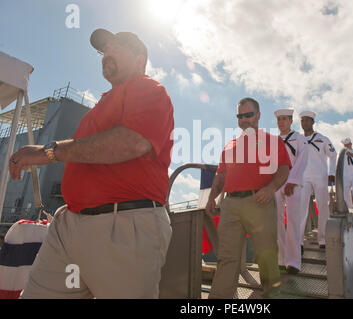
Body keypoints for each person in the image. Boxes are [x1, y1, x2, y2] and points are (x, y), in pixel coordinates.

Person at [8, 28, 174, 298]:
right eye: (103, 49)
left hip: (122, 226)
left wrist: (49, 152)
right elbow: (85, 151)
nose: (106, 53)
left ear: (140, 57)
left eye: (116, 45)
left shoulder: (148, 89)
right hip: (70, 225)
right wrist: (44, 149)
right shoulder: (103, 104)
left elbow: (133, 142)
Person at [205, 98, 291, 298]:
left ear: (258, 115)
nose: (243, 119)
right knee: (227, 259)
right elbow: (220, 175)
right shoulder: (230, 145)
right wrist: (211, 198)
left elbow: (284, 168)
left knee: (267, 257)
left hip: (259, 202)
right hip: (230, 205)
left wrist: (270, 189)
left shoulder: (272, 140)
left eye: (248, 115)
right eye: (239, 116)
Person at [273, 108, 308, 274]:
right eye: (279, 119)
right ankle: (280, 259)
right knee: (276, 221)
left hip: (292, 182)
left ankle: (293, 262)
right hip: (275, 183)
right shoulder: (273, 141)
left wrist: (292, 180)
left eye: (284, 119)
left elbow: (302, 160)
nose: (281, 122)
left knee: (293, 221)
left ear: (291, 120)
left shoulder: (299, 139)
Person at [298, 111, 336, 249]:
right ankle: (299, 241)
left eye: (307, 120)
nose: (304, 123)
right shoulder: (299, 140)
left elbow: (333, 154)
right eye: (302, 121)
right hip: (303, 177)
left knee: (323, 207)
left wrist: (331, 172)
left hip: (320, 176)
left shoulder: (322, 139)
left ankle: (323, 239)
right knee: (300, 208)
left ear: (313, 122)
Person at [341, 137, 353, 208]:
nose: (348, 146)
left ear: (351, 144)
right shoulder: (341, 155)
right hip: (345, 176)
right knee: (345, 193)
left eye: (349, 144)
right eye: (346, 145)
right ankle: (350, 207)